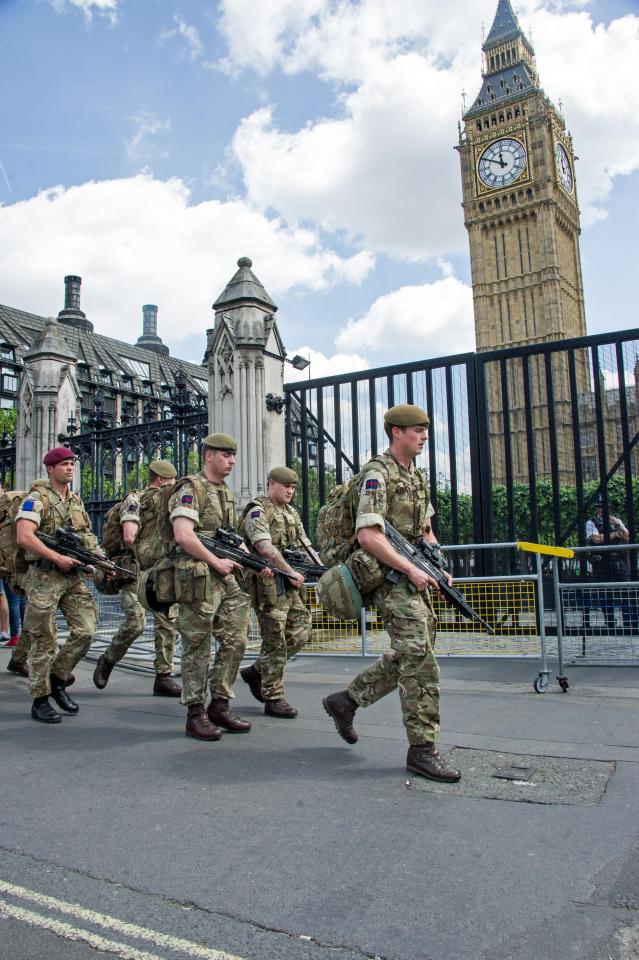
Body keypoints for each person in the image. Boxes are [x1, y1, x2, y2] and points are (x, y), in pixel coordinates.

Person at [322, 404, 461, 783]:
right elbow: (369, 535)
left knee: (410, 653)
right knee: (419, 657)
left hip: (414, 573)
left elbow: (425, 529)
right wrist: (411, 568)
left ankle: (346, 701)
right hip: (387, 577)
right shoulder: (377, 475)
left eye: (425, 430)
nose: (424, 436)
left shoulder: (416, 478)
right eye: (417, 430)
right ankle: (422, 750)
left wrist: (435, 562)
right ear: (395, 432)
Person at [169, 433, 271, 741]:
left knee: (237, 640)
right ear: (210, 455)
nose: (233, 461)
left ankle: (220, 704)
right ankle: (195, 711)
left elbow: (231, 537)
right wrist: (216, 562)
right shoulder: (191, 488)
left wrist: (255, 562)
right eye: (226, 455)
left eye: (233, 455)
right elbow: (183, 535)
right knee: (197, 645)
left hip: (227, 578)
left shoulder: (225, 493)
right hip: (199, 576)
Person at [15, 446, 101, 724]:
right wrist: (56, 557)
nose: (69, 467)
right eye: (63, 464)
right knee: (44, 638)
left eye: (71, 463)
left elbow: (86, 537)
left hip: (72, 575)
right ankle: (40, 699)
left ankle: (58, 678)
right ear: (50, 469)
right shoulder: (36, 499)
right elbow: (24, 537)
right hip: (44, 576)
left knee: (86, 630)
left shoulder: (75, 501)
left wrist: (97, 562)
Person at [92, 460, 181, 697]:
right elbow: (129, 536)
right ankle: (108, 659)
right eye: (171, 482)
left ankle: (164, 676)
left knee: (167, 622)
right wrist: (144, 559)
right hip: (134, 570)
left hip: (160, 572)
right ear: (160, 479)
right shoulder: (135, 499)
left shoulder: (170, 502)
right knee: (136, 623)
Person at [239, 465, 319, 719]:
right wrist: (290, 572)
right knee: (276, 641)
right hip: (268, 586)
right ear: (272, 484)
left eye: (294, 488)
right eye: (287, 486)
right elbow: (264, 548)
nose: (291, 491)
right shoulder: (257, 510)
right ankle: (273, 697)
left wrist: (322, 569)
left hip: (289, 586)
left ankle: (256, 671)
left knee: (301, 631)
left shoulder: (291, 512)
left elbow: (306, 545)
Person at [586, 495, 636, 631]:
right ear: (598, 508)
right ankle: (610, 622)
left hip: (618, 560)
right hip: (602, 561)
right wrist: (614, 534)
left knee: (626, 590)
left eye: (605, 508)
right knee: (605, 593)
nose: (603, 510)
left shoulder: (616, 521)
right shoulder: (592, 522)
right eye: (601, 507)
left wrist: (617, 525)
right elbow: (596, 539)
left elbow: (627, 536)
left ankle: (629, 621)